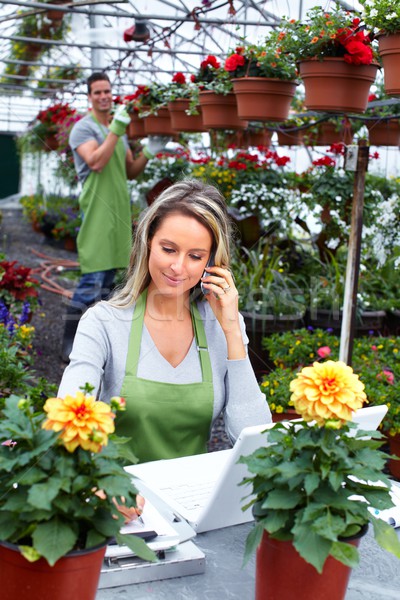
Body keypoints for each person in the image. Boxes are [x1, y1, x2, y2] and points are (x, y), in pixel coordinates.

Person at [58, 179, 271, 463]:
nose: (178, 267)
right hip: (116, 497)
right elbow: (65, 423)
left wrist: (232, 330)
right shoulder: (102, 323)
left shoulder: (223, 326)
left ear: (212, 263)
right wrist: (99, 485)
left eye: (195, 256)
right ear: (148, 243)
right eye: (168, 249)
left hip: (190, 499)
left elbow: (256, 443)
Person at [61, 72, 169, 361]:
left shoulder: (115, 131)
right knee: (91, 280)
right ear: (90, 96)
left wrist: (149, 151)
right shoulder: (83, 129)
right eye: (97, 92)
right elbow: (96, 162)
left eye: (107, 91)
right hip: (97, 211)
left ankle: (100, 347)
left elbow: (130, 171)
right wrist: (117, 129)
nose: (103, 96)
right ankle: (69, 344)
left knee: (110, 287)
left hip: (119, 212)